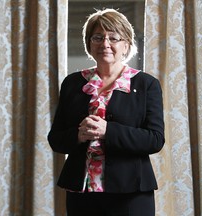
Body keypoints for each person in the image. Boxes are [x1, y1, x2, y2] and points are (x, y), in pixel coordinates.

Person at [48, 8, 165, 216]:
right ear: (89, 44)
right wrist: (78, 135)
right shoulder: (73, 83)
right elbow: (56, 139)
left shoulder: (146, 84)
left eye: (113, 38)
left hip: (131, 193)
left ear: (126, 44)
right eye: (98, 37)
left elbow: (155, 139)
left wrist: (108, 131)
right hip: (82, 193)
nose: (105, 44)